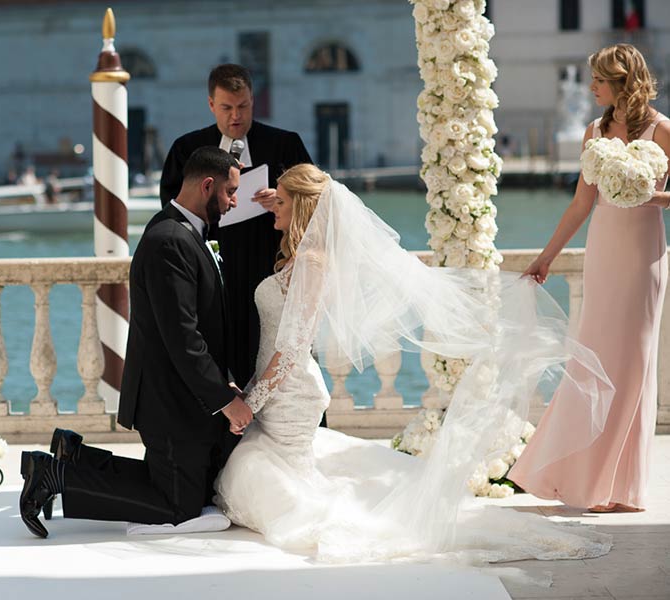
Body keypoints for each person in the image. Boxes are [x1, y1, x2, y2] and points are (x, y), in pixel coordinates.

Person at [214, 164, 614, 566]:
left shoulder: (314, 261)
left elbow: (294, 344)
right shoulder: (300, 255)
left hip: (289, 389)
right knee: (264, 468)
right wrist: (254, 391)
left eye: (281, 202)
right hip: (278, 383)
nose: (274, 209)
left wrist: (253, 397)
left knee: (268, 474)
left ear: (301, 207)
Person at [18, 147, 253, 538]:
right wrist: (226, 401)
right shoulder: (170, 240)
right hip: (169, 401)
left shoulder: (183, 232)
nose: (233, 202)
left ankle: (72, 457)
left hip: (181, 399)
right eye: (230, 192)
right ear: (207, 185)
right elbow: (183, 337)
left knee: (179, 486)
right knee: (177, 506)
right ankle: (56, 475)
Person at [509, 44, 670, 512]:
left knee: (635, 364)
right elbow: (582, 204)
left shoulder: (663, 130)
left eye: (598, 80)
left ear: (620, 82)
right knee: (594, 360)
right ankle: (585, 479)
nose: (591, 88)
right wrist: (546, 258)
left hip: (643, 255)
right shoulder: (594, 132)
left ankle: (624, 488)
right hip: (604, 250)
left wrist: (648, 196)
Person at [160, 64, 312, 388]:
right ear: (211, 104)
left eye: (243, 106)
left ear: (253, 101)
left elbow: (317, 201)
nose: (235, 116)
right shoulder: (187, 150)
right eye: (227, 107)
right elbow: (172, 209)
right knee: (217, 361)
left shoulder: (285, 145)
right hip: (212, 275)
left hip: (271, 270)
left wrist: (284, 200)